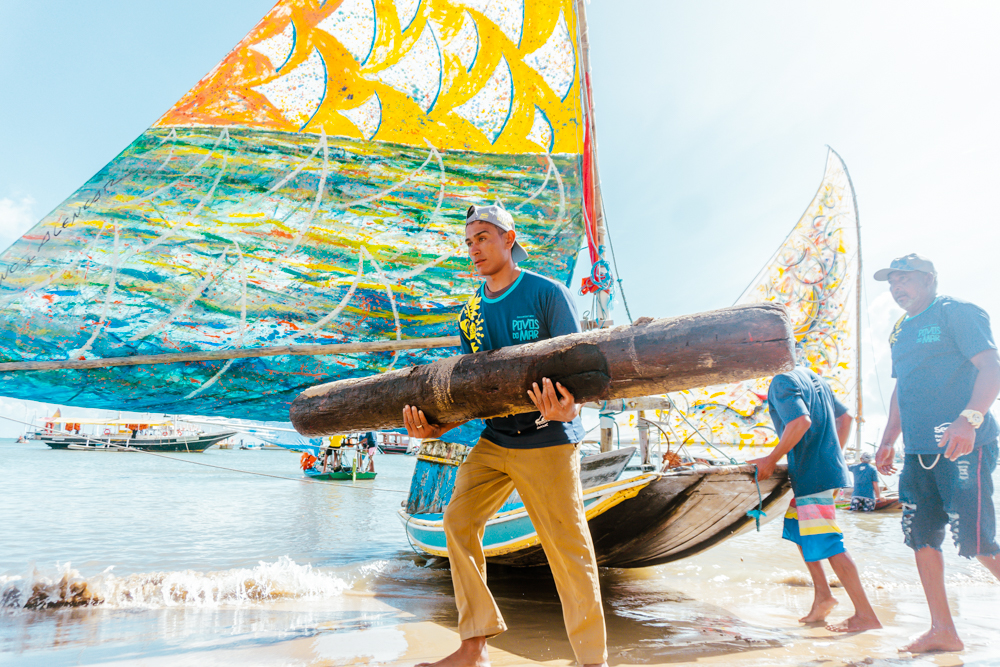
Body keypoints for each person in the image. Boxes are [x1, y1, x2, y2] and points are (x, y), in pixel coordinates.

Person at [402, 203, 607, 667]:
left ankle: (593, 661)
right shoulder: (471, 311)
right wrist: (436, 427)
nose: (474, 248)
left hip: (548, 438)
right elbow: (475, 393)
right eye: (469, 241)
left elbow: (581, 372)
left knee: (568, 550)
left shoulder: (546, 294)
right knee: (458, 521)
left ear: (508, 239)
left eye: (483, 237)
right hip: (496, 441)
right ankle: (474, 647)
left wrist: (570, 407)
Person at [872, 253, 1000, 653]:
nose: (896, 288)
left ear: (929, 279)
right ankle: (942, 630)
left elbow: (992, 366)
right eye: (892, 282)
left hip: (963, 444)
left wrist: (970, 419)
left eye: (904, 279)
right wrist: (889, 437)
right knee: (920, 536)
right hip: (918, 451)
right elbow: (902, 386)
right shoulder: (901, 329)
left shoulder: (955, 312)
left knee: (976, 540)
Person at [750, 363, 882, 633]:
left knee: (829, 542)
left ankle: (865, 614)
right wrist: (832, 457)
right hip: (823, 471)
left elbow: (801, 421)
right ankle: (823, 595)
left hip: (813, 475)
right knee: (798, 527)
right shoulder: (813, 378)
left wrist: (771, 459)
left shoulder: (781, 381)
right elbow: (846, 419)